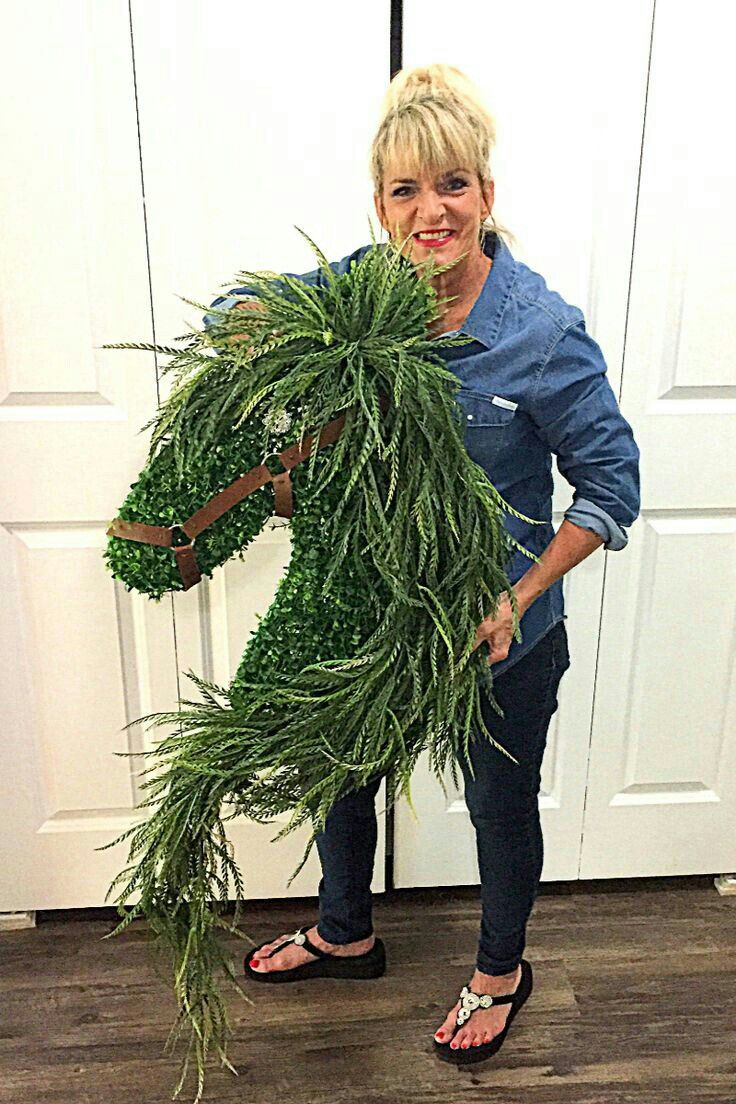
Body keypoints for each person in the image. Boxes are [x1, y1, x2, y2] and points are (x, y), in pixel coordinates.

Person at [205, 64, 640, 1060]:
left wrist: (517, 595)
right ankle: (345, 930)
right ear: (379, 205)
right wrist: (254, 329)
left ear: (486, 195)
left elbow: (612, 492)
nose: (429, 210)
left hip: (498, 635)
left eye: (450, 184)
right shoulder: (361, 288)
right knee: (339, 773)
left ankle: (500, 971)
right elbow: (236, 307)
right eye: (405, 190)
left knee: (497, 802)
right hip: (373, 615)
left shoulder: (540, 336)